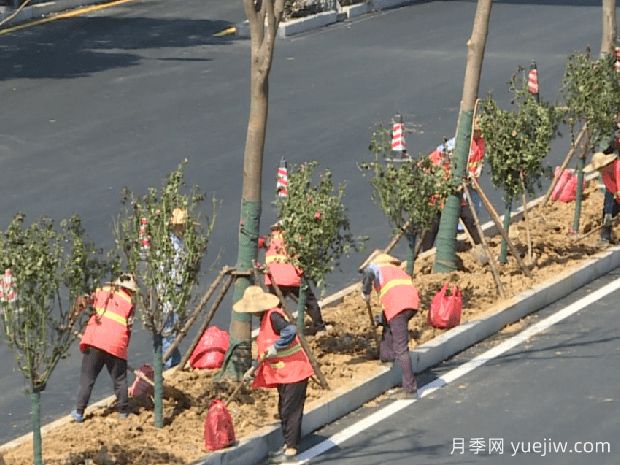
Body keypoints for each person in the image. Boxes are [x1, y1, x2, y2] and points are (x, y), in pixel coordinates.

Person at [234, 285, 314, 465]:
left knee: (290, 411)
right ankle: (288, 445)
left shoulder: (273, 316)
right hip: (284, 373)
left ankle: (291, 450)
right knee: (283, 410)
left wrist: (277, 346)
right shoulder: (264, 320)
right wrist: (252, 370)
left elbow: (290, 331)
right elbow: (264, 351)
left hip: (295, 371)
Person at [71, 273, 138, 423]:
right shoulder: (130, 304)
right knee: (120, 379)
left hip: (95, 340)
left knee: (87, 379)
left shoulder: (102, 291)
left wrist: (73, 317)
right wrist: (123, 350)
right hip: (116, 344)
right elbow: (129, 329)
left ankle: (79, 412)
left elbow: (83, 301)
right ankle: (123, 411)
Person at [361, 253, 419, 399]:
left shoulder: (377, 268)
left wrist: (366, 292)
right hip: (411, 305)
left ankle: (410, 389)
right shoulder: (398, 271)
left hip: (397, 307)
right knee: (388, 326)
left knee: (401, 348)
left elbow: (368, 272)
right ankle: (386, 357)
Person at [260, 221, 326, 333]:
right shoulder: (294, 238)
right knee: (310, 302)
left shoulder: (270, 240)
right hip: (292, 277)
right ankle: (319, 326)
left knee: (273, 306)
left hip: (274, 280)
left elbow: (258, 241)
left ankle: (269, 329)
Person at [161, 207, 187, 369]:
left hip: (175, 289)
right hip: (169, 290)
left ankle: (175, 361)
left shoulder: (178, 241)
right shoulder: (169, 244)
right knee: (168, 330)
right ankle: (168, 364)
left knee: (174, 327)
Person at [584, 151, 620, 246]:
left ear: (607, 164)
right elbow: (610, 191)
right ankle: (605, 238)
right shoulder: (605, 175)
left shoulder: (618, 167)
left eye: (600, 168)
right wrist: (608, 211)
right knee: (608, 212)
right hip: (616, 195)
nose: (599, 171)